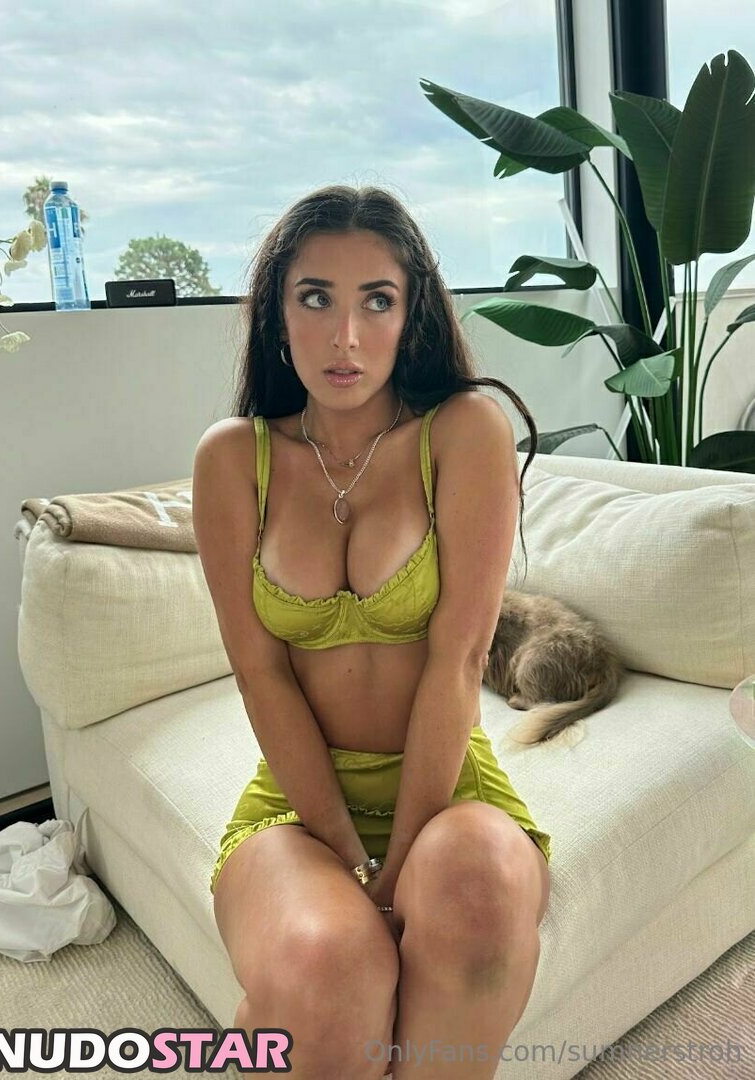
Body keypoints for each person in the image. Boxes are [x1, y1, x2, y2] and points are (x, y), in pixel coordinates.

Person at [192, 184, 552, 1080]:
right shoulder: (234, 459)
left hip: (449, 785)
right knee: (330, 962)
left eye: (376, 301)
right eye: (315, 298)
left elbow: (459, 660)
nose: (344, 337)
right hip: (296, 803)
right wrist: (353, 862)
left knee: (476, 900)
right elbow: (260, 672)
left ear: (411, 314)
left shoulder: (462, 432)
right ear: (277, 316)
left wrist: (400, 869)